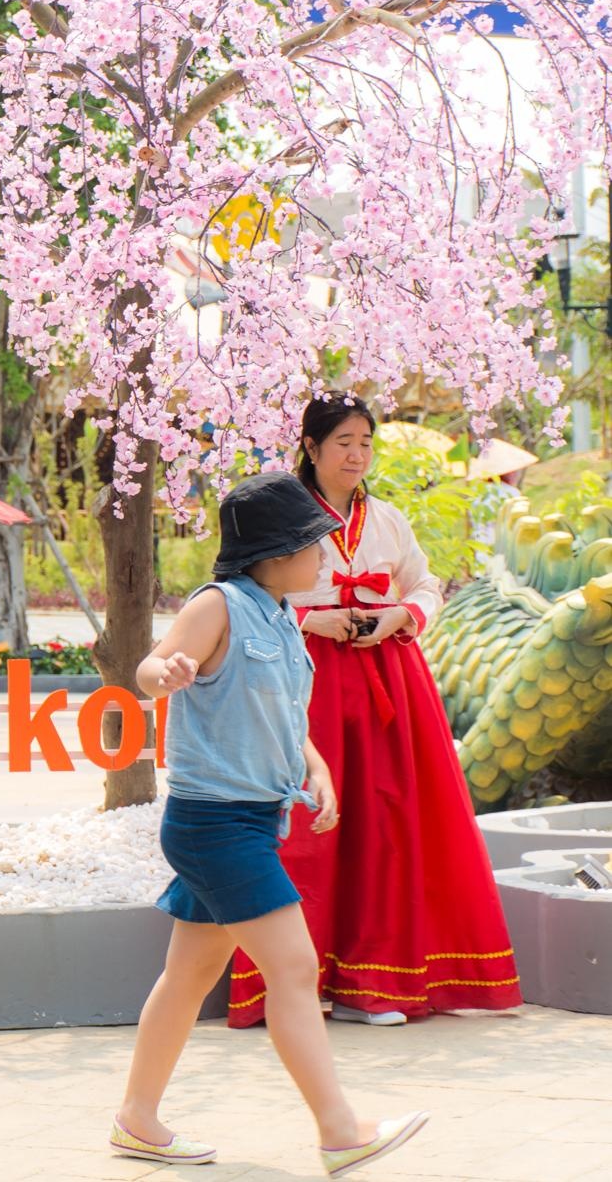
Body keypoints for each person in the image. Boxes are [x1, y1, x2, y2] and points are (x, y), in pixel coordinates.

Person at [115, 473, 428, 1178]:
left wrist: (312, 765)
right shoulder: (218, 604)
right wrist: (164, 673)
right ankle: (340, 1131)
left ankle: (137, 1118)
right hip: (213, 825)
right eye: (311, 545)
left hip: (250, 822)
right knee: (293, 966)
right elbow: (151, 664)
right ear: (272, 552)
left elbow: (285, 713)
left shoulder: (283, 616)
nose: (324, 557)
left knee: (189, 974)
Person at [228, 396, 521, 1027]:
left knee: (389, 821)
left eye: (364, 441)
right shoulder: (281, 516)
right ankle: (298, 981)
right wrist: (313, 618)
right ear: (310, 447)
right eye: (342, 443)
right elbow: (246, 596)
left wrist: (400, 615)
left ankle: (375, 983)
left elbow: (423, 584)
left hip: (390, 678)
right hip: (307, 679)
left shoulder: (387, 518)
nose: (356, 455)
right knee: (310, 821)